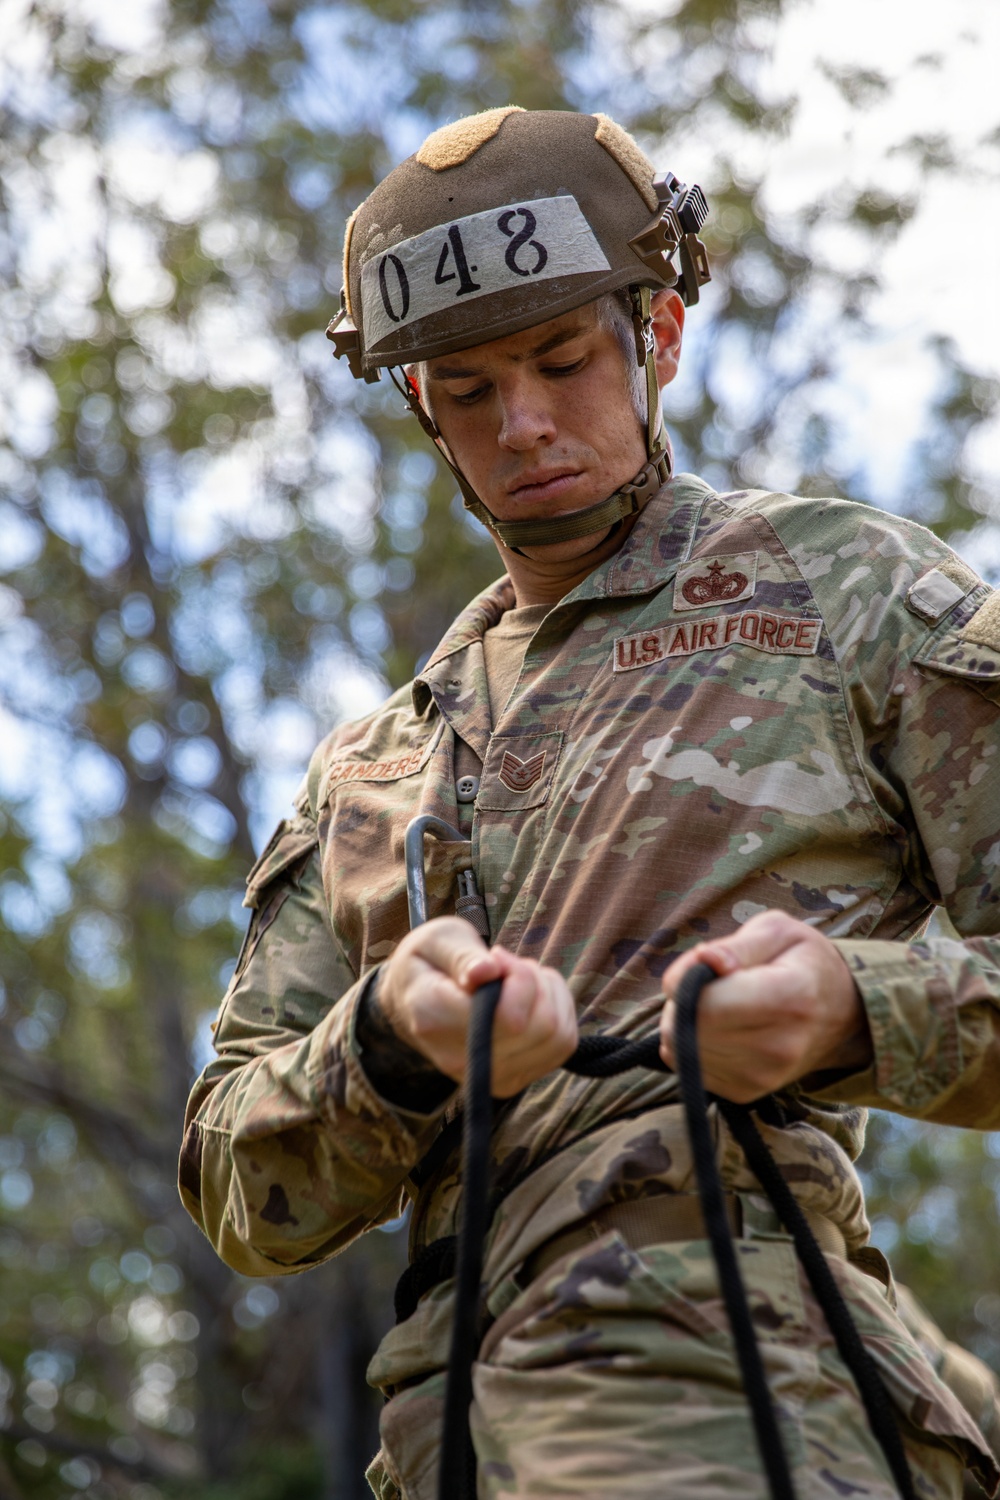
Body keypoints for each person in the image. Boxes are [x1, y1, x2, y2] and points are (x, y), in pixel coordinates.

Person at [179, 106, 1000, 1498]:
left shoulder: (843, 594)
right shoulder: (378, 765)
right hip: (441, 1421)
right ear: (421, 406)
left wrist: (851, 1010)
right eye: (470, 390)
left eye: (564, 360)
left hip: (727, 1369)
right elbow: (244, 1194)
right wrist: (389, 1041)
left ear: (659, 336)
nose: (528, 425)